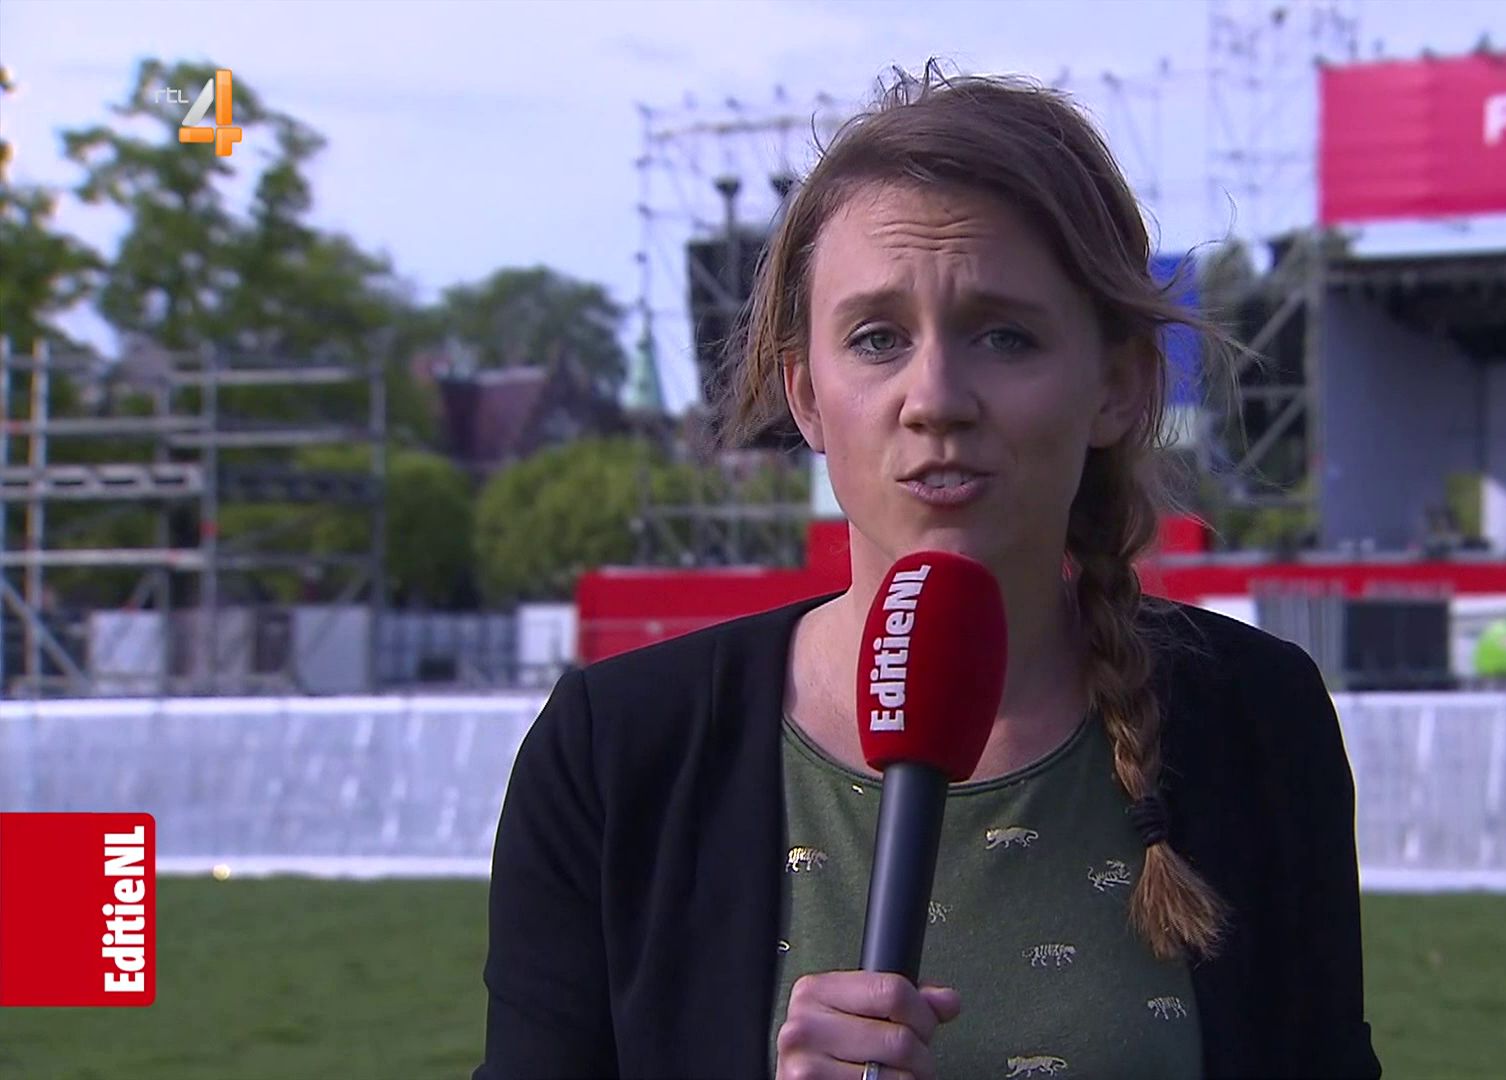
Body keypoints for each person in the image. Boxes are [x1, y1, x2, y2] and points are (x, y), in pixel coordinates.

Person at [475, 65, 1380, 1080]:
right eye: (877, 338)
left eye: (1005, 335)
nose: (936, 397)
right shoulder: (615, 753)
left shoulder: (1257, 720)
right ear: (806, 396)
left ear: (1119, 385)